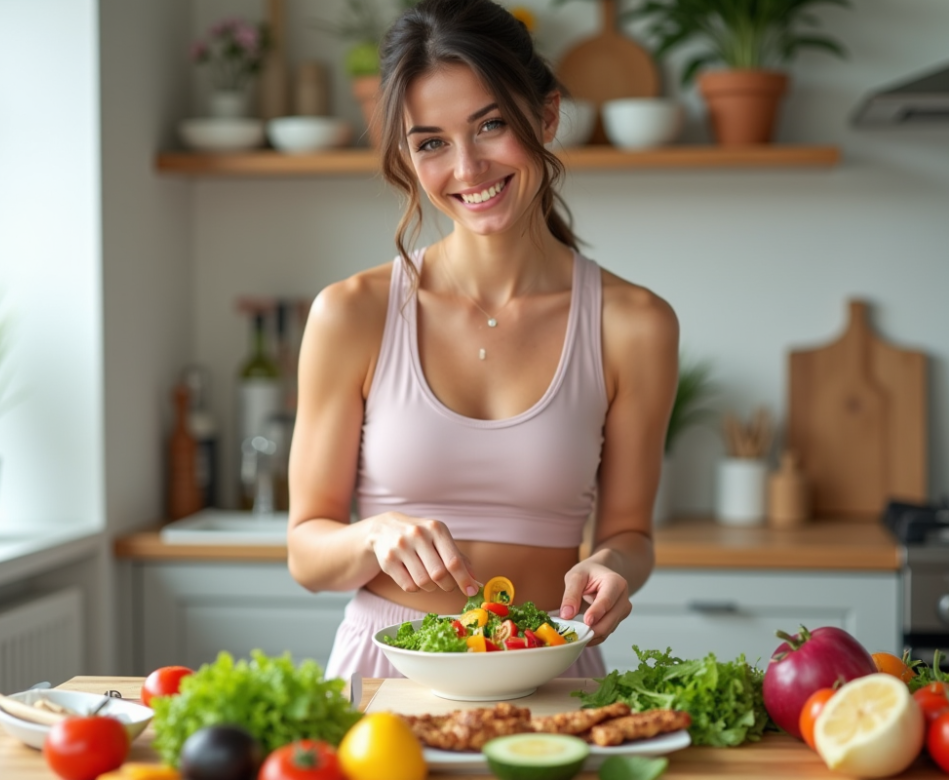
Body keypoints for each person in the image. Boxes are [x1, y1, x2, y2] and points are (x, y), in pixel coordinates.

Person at [286, 0, 678, 681]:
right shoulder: (350, 314)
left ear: (547, 116)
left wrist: (613, 566)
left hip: (550, 665)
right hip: (386, 672)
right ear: (406, 155)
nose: (467, 168)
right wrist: (372, 534)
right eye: (431, 141)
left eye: (491, 125)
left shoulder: (634, 323)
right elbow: (307, 553)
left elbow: (631, 535)